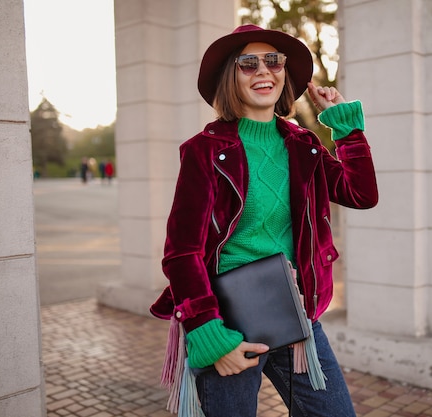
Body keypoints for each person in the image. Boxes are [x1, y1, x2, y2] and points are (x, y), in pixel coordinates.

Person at [150, 24, 378, 417]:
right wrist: (210, 334)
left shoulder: (303, 145)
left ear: (284, 73)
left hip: (295, 313)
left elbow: (361, 194)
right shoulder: (205, 151)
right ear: (230, 77)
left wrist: (343, 124)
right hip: (228, 323)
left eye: (273, 61)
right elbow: (181, 252)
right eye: (247, 64)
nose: (263, 71)